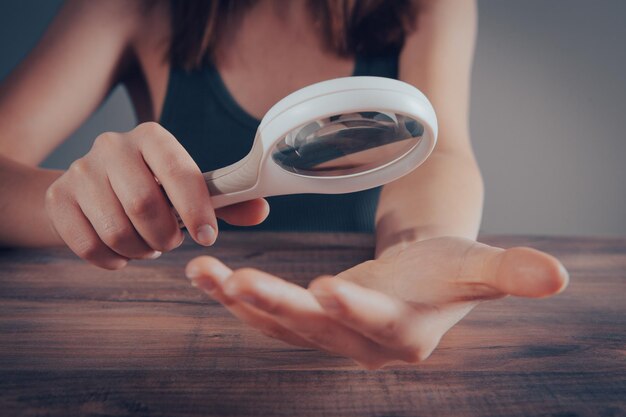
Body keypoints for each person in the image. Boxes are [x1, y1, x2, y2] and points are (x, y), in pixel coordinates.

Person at [0, 0, 568, 369]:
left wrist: (420, 252)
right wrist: (80, 204)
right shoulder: (127, 8)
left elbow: (437, 151)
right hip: (178, 348)